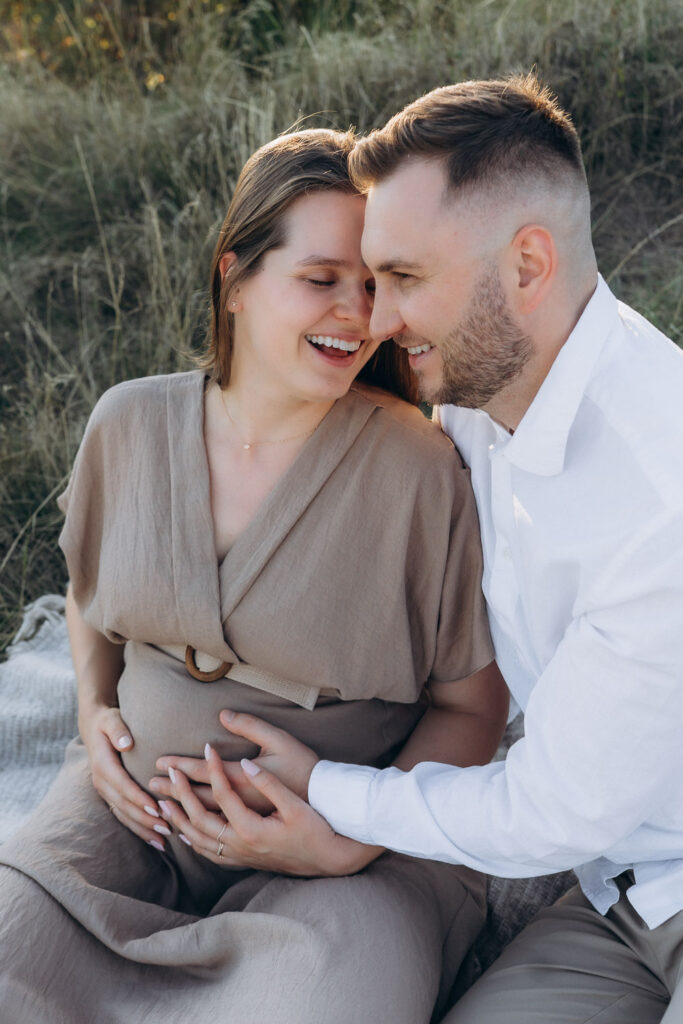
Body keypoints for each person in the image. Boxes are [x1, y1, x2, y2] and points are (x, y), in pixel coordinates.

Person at [197, 76, 683, 1022]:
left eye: (405, 281)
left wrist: (336, 805)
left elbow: (551, 807)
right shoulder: (475, 405)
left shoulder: (658, 494)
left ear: (528, 267)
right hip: (618, 895)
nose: (376, 322)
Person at [0, 127, 509, 1023]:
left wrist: (345, 843)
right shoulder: (128, 423)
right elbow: (88, 596)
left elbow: (474, 711)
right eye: (322, 279)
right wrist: (93, 712)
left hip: (342, 861)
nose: (357, 314)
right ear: (234, 277)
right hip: (133, 818)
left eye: (374, 285)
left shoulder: (418, 472)